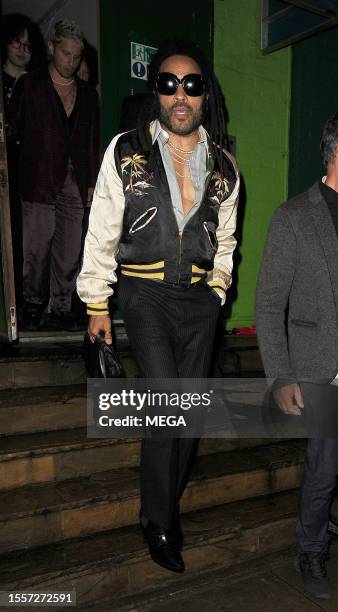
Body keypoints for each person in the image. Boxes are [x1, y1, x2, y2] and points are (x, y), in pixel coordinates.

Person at [77, 39, 239, 573]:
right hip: (144, 293)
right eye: (168, 84)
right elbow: (102, 225)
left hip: (198, 300)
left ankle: (163, 506)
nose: (180, 95)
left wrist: (217, 290)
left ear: (204, 96)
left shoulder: (226, 169)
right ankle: (158, 518)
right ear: (157, 93)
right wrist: (97, 303)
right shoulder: (127, 152)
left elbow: (228, 239)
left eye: (191, 85)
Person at [256, 113, 338, 600]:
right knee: (325, 466)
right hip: (318, 366)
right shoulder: (293, 216)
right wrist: (281, 374)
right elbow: (268, 303)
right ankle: (310, 550)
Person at [7, 19, 100, 331]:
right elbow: (13, 133)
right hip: (38, 180)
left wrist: (90, 183)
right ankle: (32, 304)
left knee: (71, 249)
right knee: (36, 247)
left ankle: (61, 306)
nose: (71, 62)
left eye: (76, 56)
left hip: (75, 181)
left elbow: (91, 142)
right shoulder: (29, 85)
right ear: (51, 48)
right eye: (65, 54)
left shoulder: (88, 95)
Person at [1, 13, 47, 310]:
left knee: (25, 238)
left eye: (28, 45)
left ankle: (25, 302)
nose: (21, 49)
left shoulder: (37, 86)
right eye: (16, 42)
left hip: (28, 170)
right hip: (4, 164)